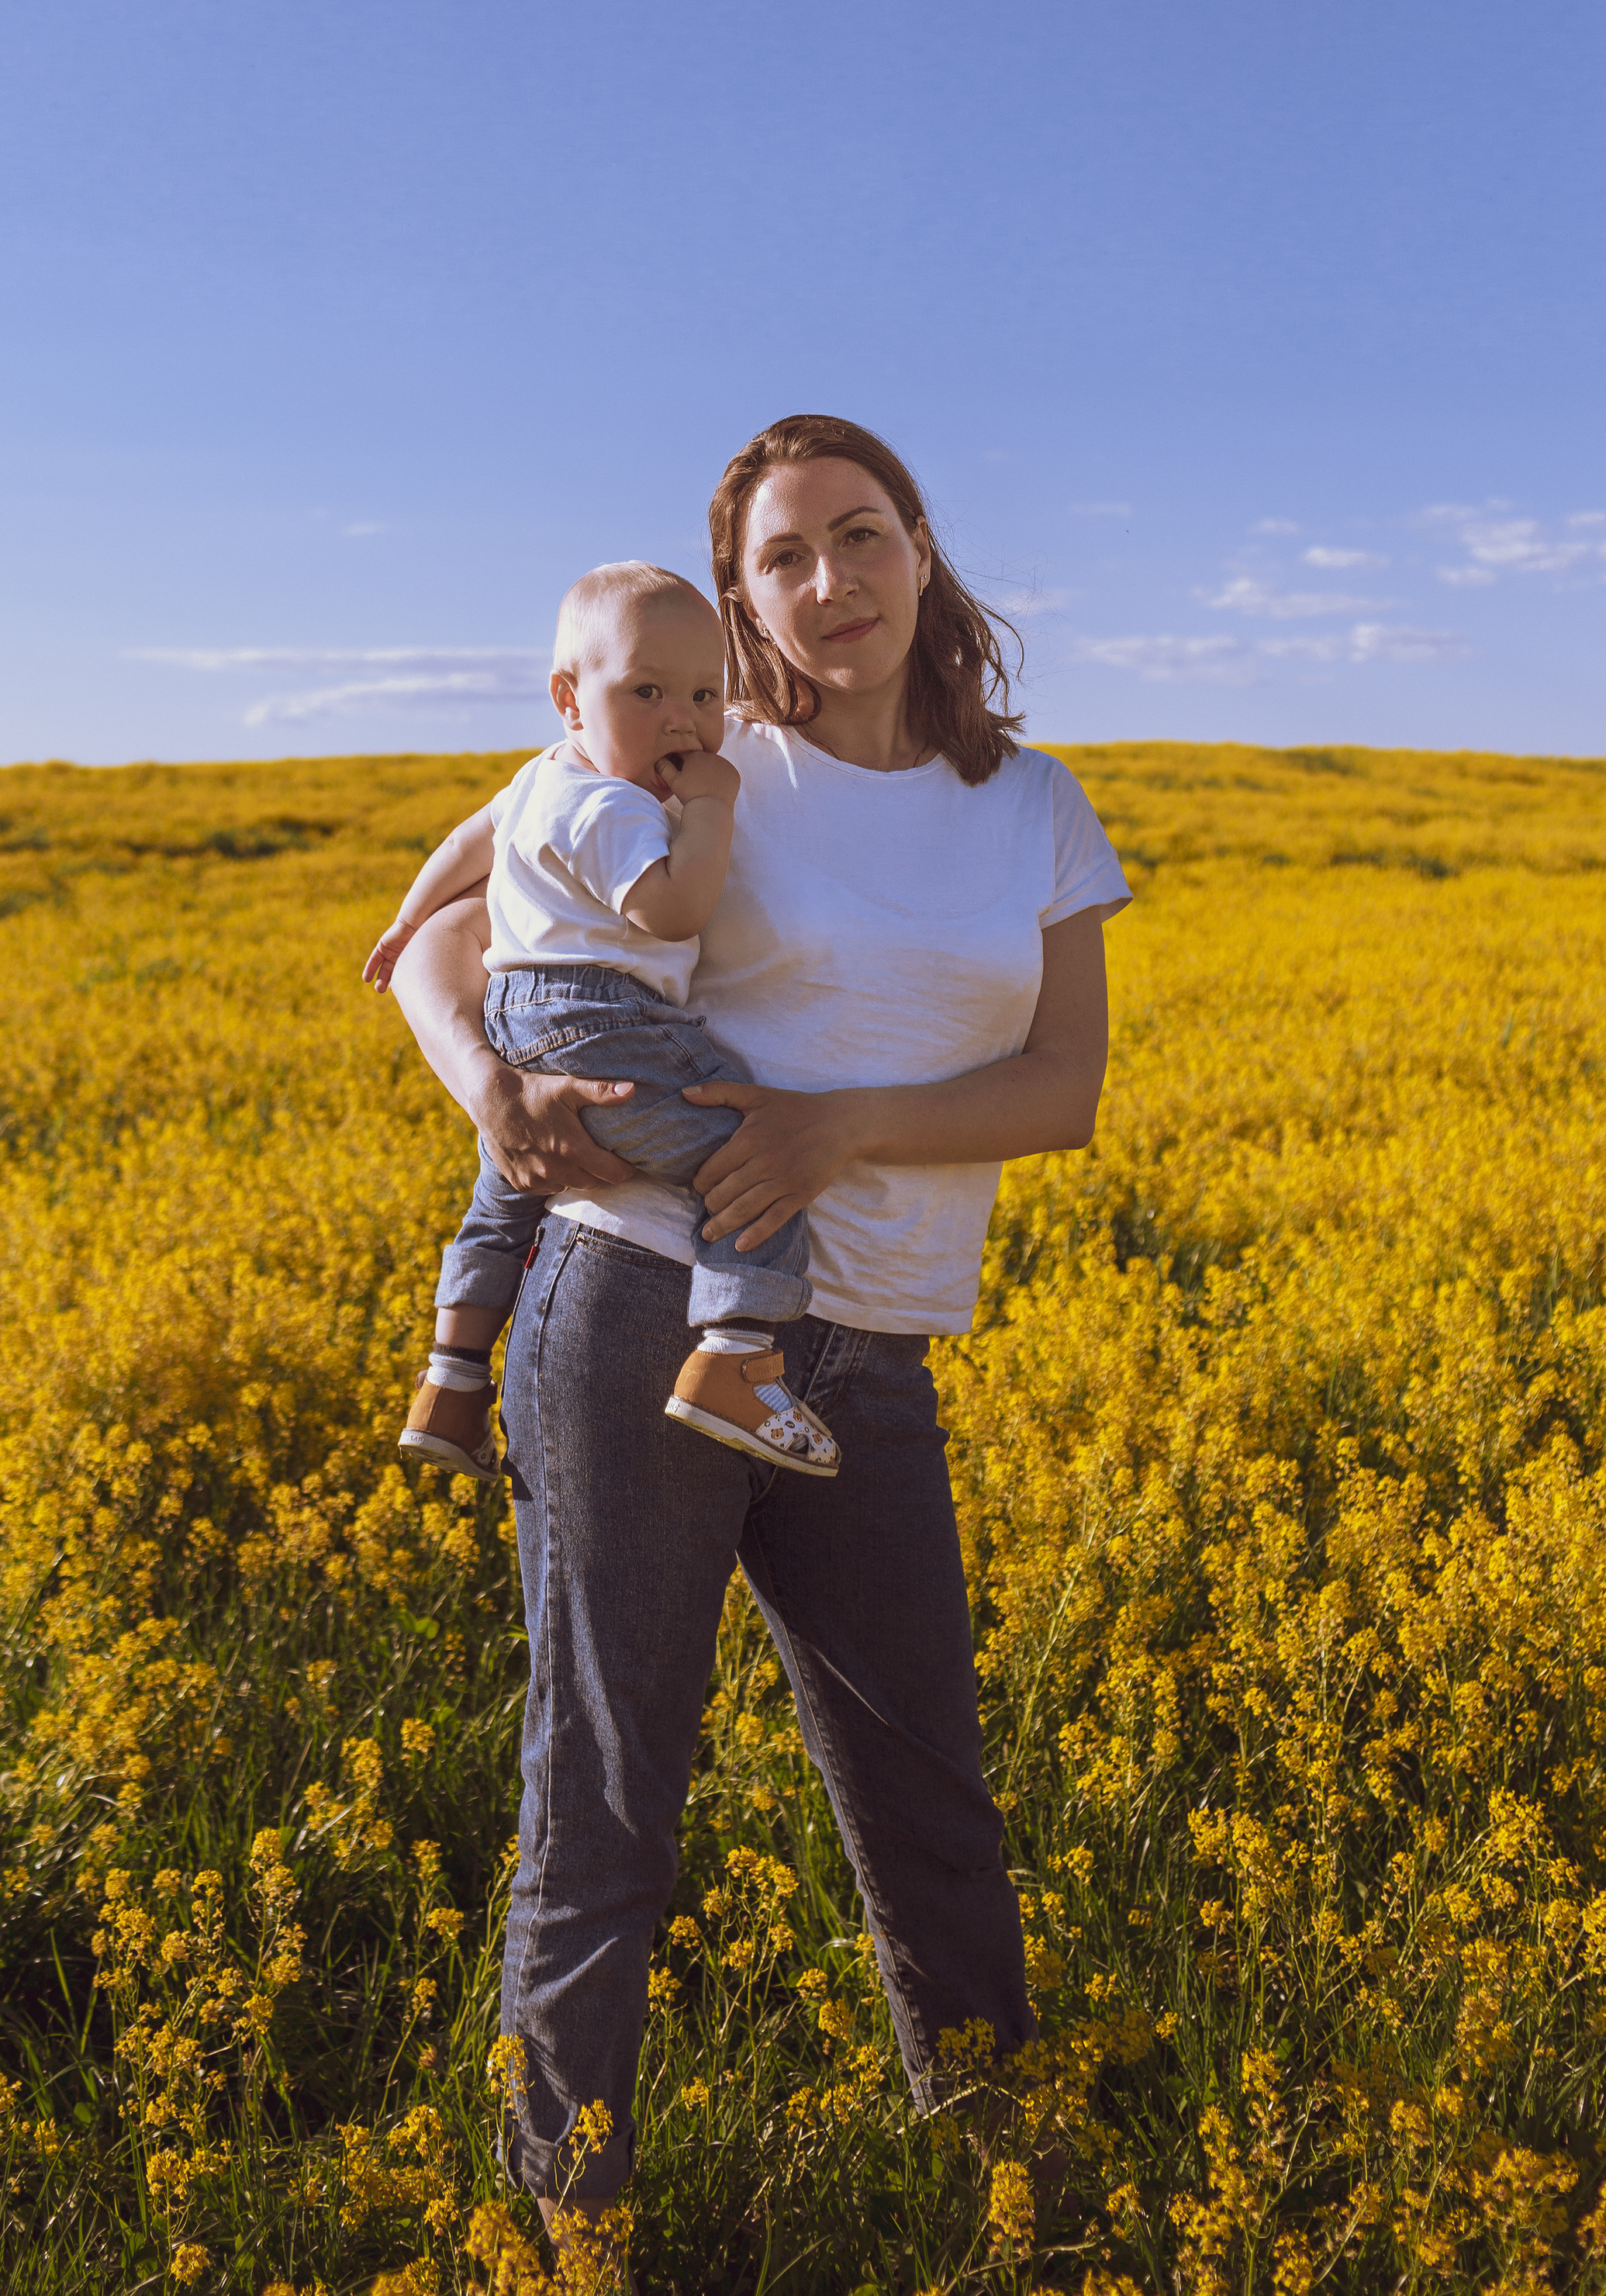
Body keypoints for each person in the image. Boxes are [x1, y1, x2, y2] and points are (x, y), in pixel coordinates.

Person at [388, 413, 1129, 2239]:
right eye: (780, 557)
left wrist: (837, 1128)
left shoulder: (1028, 802)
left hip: (865, 1349)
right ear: (737, 600)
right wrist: (492, 1088)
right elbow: (436, 927)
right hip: (639, 1301)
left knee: (927, 1790)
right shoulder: (690, 747)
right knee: (607, 1797)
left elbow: (1061, 1085)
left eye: (858, 534)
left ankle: (1009, 2199)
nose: (828, 580)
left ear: (919, 549)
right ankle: (570, 2231)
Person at [363, 560, 838, 1478]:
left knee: (505, 1195)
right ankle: (735, 1356)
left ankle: (451, 1380)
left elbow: (467, 843)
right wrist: (710, 806)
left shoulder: (539, 777)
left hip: (519, 1019)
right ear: (568, 700)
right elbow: (673, 912)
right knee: (754, 1164)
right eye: (646, 692)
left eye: (704, 695)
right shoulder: (613, 806)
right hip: (606, 1018)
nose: (682, 721)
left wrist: (408, 920)